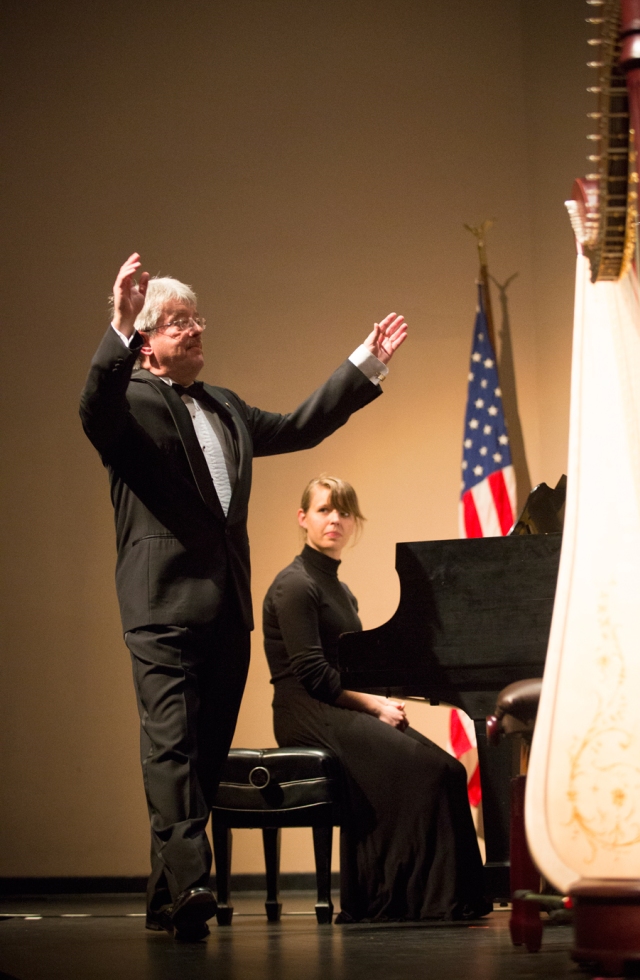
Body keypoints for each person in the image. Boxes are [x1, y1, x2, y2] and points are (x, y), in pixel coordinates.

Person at [80, 253, 407, 940]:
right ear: (145, 344)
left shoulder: (224, 406)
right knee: (169, 747)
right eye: (176, 323)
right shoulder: (129, 402)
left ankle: (167, 897)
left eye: (197, 318)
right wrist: (114, 324)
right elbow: (93, 408)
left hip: (225, 609)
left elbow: (299, 427)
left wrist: (364, 365)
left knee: (200, 755)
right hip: (162, 608)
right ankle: (194, 881)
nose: (195, 329)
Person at [263, 475, 491, 922]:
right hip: (305, 711)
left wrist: (385, 697)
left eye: (344, 512)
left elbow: (350, 669)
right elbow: (313, 676)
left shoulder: (340, 589)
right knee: (427, 771)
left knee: (446, 768)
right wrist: (374, 705)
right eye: (325, 509)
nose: (335, 519)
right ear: (303, 517)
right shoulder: (295, 584)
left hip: (336, 705)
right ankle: (404, 901)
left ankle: (449, 899)